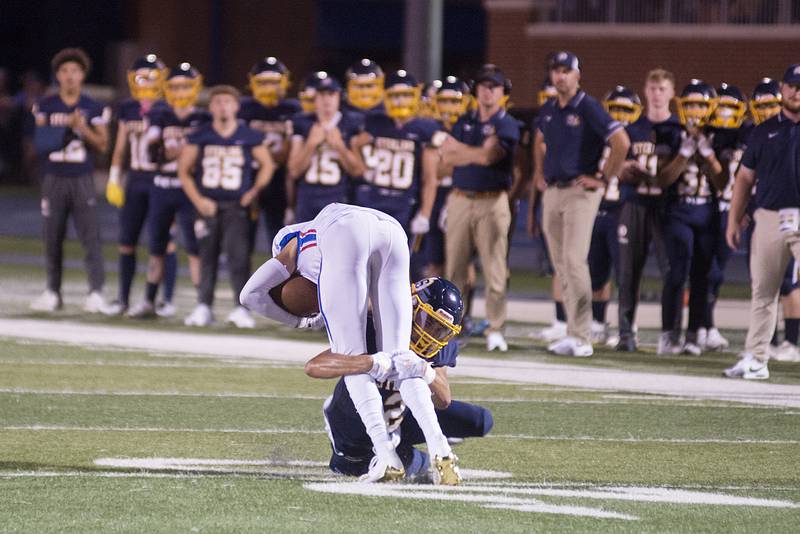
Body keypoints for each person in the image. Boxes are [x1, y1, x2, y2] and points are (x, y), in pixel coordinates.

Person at [239, 203, 462, 484]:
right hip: (392, 229)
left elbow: (249, 295)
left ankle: (386, 457)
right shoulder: (315, 237)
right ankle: (441, 450)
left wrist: (302, 321)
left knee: (352, 357)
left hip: (345, 233)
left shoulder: (288, 244)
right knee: (402, 359)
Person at [304, 277, 493, 481]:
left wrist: (424, 370)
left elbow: (443, 399)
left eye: (441, 330)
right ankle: (416, 457)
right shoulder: (378, 326)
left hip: (400, 416)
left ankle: (426, 441)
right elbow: (314, 366)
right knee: (366, 464)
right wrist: (369, 363)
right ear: (412, 306)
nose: (431, 334)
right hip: (353, 425)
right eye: (429, 322)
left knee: (481, 421)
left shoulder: (436, 345)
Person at [536, 52, 629, 357]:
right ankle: (572, 330)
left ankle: (583, 335)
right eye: (556, 71)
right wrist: (540, 173)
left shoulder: (588, 106)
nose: (560, 76)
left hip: (579, 192)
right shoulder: (549, 109)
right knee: (561, 264)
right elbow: (541, 142)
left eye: (566, 71)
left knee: (574, 261)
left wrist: (603, 179)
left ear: (577, 75)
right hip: (554, 190)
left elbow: (621, 142)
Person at [724, 64, 800, 379]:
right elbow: (744, 178)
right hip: (768, 217)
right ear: (783, 89)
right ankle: (756, 358)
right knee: (764, 291)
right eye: (793, 86)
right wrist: (733, 218)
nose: (797, 92)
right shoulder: (763, 130)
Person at [439, 64, 521, 352]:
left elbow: (489, 157)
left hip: (492, 199)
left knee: (494, 268)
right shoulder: (463, 121)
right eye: (484, 86)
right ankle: (451, 329)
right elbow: (446, 158)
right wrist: (474, 153)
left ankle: (496, 329)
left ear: (503, 92)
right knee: (455, 270)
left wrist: (464, 153)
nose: (488, 91)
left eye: (494, 86)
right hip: (460, 198)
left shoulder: (507, 124)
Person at [178, 85, 274, 328]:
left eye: (227, 102)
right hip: (207, 204)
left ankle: (241, 308)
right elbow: (183, 171)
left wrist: (253, 191)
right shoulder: (200, 135)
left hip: (236, 205)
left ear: (236, 106)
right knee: (206, 256)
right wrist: (198, 200)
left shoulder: (248, 135)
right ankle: (204, 306)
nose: (223, 106)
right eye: (218, 102)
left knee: (238, 257)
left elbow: (268, 165)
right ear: (210, 107)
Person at [30, 48, 110, 313]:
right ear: (57, 75)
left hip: (81, 177)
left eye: (75, 71)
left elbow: (102, 144)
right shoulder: (46, 105)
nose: (70, 76)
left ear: (83, 75)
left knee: (90, 237)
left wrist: (82, 128)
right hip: (54, 177)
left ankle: (96, 292)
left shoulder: (93, 106)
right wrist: (67, 128)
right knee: (52, 237)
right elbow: (41, 144)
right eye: (65, 71)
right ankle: (53, 291)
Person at [127, 62, 209, 318]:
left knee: (195, 248)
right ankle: (150, 300)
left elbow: (207, 156)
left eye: (186, 85)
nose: (181, 91)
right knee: (156, 247)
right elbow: (151, 153)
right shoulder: (160, 115)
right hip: (162, 187)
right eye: (176, 86)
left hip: (190, 190)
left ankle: (202, 304)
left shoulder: (202, 119)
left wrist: (187, 155)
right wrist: (168, 152)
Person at [614, 68, 681, 352]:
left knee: (672, 272)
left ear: (671, 93)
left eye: (662, 89)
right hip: (636, 205)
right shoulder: (631, 129)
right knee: (629, 271)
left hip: (667, 208)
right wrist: (625, 169)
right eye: (652, 89)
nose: (656, 95)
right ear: (645, 91)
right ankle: (626, 333)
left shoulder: (679, 130)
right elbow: (615, 167)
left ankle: (670, 334)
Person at [658, 79, 724, 355]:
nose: (695, 109)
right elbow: (663, 179)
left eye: (700, 104)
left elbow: (722, 183)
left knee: (702, 276)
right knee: (677, 272)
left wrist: (709, 156)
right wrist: (683, 154)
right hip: (679, 210)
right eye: (691, 104)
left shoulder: (720, 135)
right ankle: (668, 334)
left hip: (707, 210)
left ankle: (694, 334)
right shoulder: (670, 133)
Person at [103, 54, 168, 316]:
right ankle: (123, 299)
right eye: (141, 76)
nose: (145, 82)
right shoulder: (128, 108)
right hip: (136, 179)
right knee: (127, 241)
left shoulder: (167, 109)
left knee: (158, 244)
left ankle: (151, 301)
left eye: (151, 77)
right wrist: (114, 177)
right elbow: (120, 147)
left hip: (160, 180)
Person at [349, 69, 439, 255]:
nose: (400, 101)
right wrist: (365, 169)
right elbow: (356, 144)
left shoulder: (425, 128)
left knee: (398, 264)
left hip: (405, 204)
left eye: (405, 96)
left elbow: (430, 177)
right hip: (374, 202)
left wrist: (425, 213)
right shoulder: (377, 122)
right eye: (395, 96)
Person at [588, 86, 641, 344]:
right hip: (597, 210)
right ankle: (598, 322)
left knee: (625, 274)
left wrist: (625, 167)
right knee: (597, 273)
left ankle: (627, 325)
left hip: (623, 212)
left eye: (625, 109)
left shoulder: (637, 138)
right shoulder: (596, 137)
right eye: (615, 109)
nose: (619, 115)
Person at [701, 82, 752, 350]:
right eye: (720, 108)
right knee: (704, 270)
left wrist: (746, 208)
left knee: (717, 271)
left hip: (730, 209)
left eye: (730, 108)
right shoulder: (707, 132)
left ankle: (705, 325)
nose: (723, 114)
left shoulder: (750, 133)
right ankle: (703, 325)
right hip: (705, 206)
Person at [239, 56, 301, 244]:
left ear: (284, 82)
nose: (268, 88)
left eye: (273, 83)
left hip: (280, 179)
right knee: (244, 236)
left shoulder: (293, 110)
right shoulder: (244, 108)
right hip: (250, 175)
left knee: (280, 235)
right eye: (263, 83)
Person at [287, 72, 362, 222]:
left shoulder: (351, 123)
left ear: (339, 97)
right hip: (308, 198)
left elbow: (357, 171)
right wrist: (311, 144)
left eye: (331, 94)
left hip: (339, 199)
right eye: (322, 95)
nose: (327, 100)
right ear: (315, 98)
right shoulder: (302, 123)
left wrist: (340, 146)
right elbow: (293, 171)